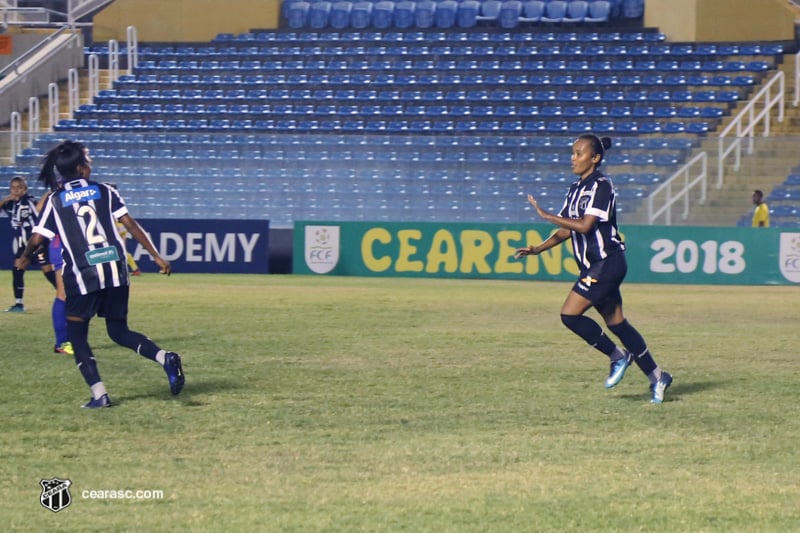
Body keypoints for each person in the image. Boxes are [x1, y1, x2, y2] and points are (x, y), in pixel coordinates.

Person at [15, 140, 184, 408]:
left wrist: (24, 259)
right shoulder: (106, 191)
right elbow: (131, 224)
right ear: (81, 168)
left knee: (78, 337)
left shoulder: (55, 200)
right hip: (116, 270)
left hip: (83, 275)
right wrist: (156, 256)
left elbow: (37, 239)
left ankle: (99, 395)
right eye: (89, 161)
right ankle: (165, 358)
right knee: (118, 330)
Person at [514, 134, 673, 404]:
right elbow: (567, 229)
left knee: (570, 315)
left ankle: (618, 356)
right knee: (617, 323)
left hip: (607, 262)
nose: (573, 158)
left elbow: (586, 225)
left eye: (579, 153)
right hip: (595, 266)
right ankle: (658, 377)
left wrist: (546, 215)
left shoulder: (602, 185)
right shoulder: (575, 189)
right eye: (573, 153)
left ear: (595, 158)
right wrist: (539, 249)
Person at [1, 176, 49, 312]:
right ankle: (18, 304)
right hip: (22, 243)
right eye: (13, 188)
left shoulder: (29, 202)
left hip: (34, 241)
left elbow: (39, 213)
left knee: (48, 270)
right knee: (17, 269)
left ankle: (65, 296)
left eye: (19, 188)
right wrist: (5, 199)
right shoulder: (10, 204)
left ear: (25, 189)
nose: (15, 191)